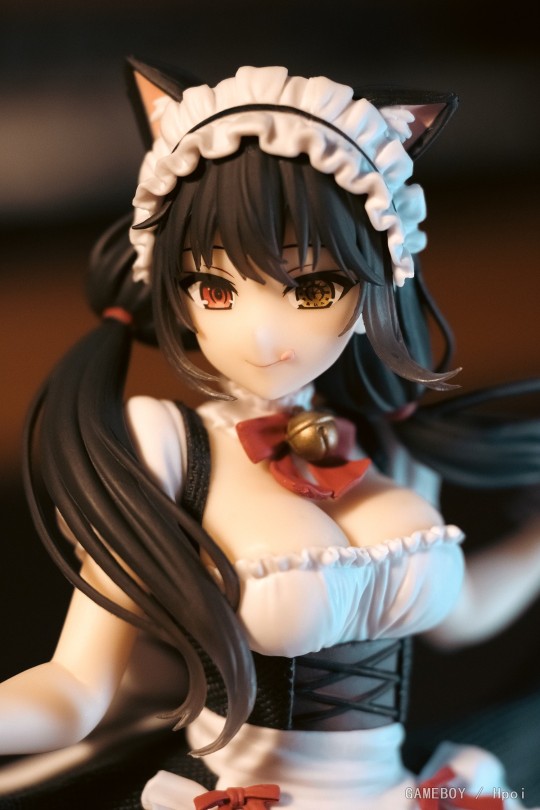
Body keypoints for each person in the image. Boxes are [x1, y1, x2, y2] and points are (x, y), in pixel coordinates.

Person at [1, 62, 539, 809]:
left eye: (313, 288)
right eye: (214, 287)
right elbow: (74, 690)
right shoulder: (169, 445)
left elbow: (464, 612)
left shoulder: (389, 441)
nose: (260, 335)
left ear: (376, 286)